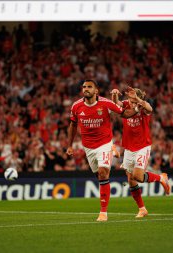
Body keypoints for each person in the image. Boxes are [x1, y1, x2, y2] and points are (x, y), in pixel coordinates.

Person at [66, 80, 138, 222]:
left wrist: (136, 110)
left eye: (89, 87)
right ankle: (112, 155)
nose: (86, 89)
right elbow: (73, 125)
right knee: (100, 177)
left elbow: (124, 113)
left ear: (96, 90)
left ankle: (103, 213)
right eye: (84, 87)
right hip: (88, 147)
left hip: (104, 144)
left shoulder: (106, 103)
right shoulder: (76, 106)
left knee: (103, 172)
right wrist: (69, 145)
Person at [111, 87, 170, 218]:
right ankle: (142, 209)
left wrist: (137, 100)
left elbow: (150, 108)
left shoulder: (143, 108)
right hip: (128, 147)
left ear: (138, 99)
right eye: (129, 99)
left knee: (138, 176)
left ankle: (161, 178)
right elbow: (116, 104)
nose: (130, 102)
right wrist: (115, 95)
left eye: (133, 100)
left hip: (142, 146)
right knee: (131, 179)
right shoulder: (127, 104)